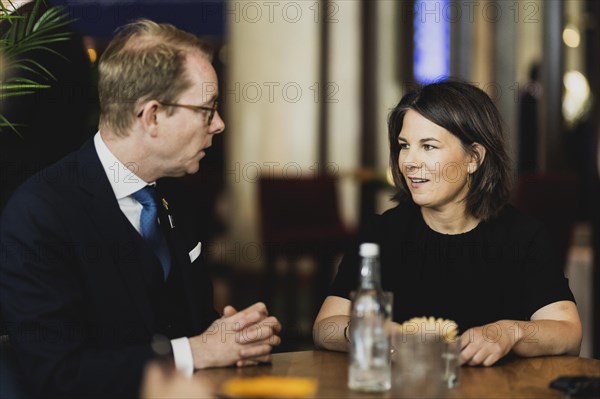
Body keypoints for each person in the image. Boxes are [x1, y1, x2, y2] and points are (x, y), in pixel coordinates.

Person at [0, 19, 281, 397]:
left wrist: (233, 337)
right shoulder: (40, 214)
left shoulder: (177, 195)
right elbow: (59, 373)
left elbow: (188, 321)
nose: (219, 124)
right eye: (206, 110)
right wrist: (197, 350)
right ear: (151, 116)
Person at [313, 80, 582, 366]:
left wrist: (510, 332)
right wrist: (366, 332)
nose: (410, 162)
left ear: (474, 158)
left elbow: (568, 333)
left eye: (428, 146)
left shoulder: (523, 237)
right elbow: (324, 326)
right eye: (404, 146)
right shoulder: (381, 234)